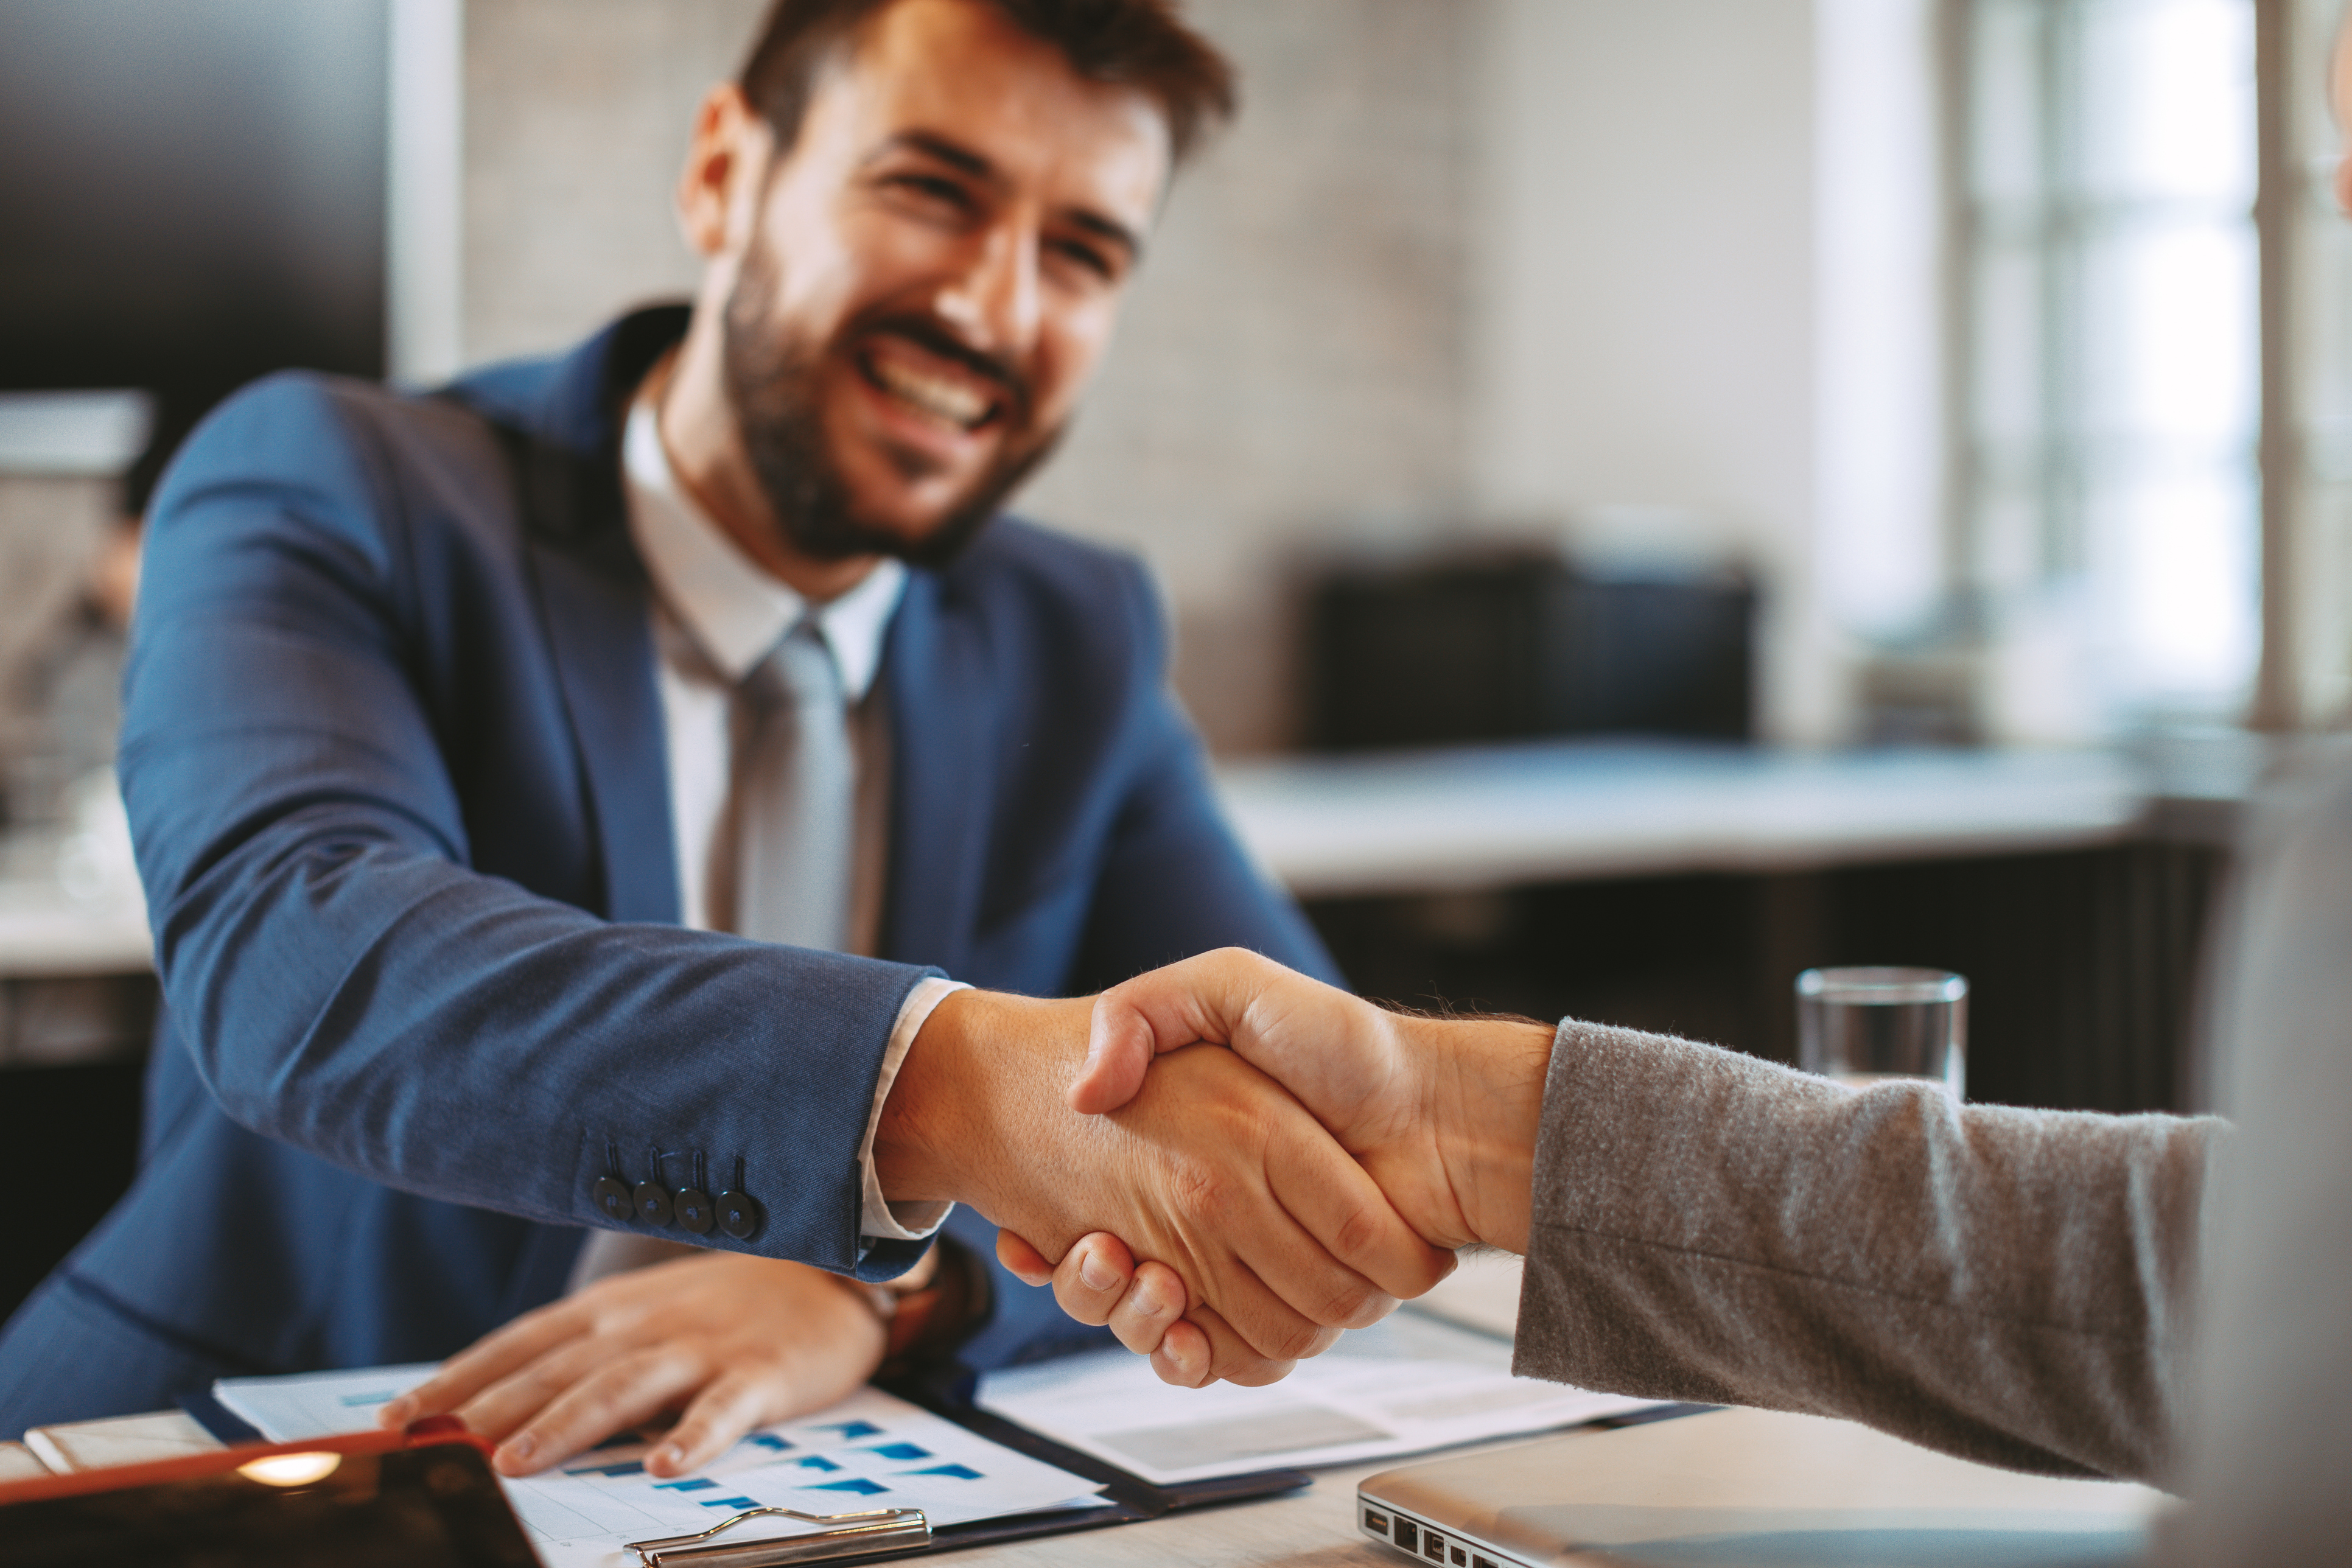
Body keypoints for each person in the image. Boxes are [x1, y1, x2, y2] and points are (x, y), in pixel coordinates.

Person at [0, 0, 1454, 1474]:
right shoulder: (329, 482)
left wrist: (873, 1288)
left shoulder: (1070, 630)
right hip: (289, 1460)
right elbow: (303, 968)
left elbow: (1294, 1147)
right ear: (722, 173)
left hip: (805, 1480)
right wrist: (938, 1090)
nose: (994, 307)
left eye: (1080, 252)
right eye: (931, 190)